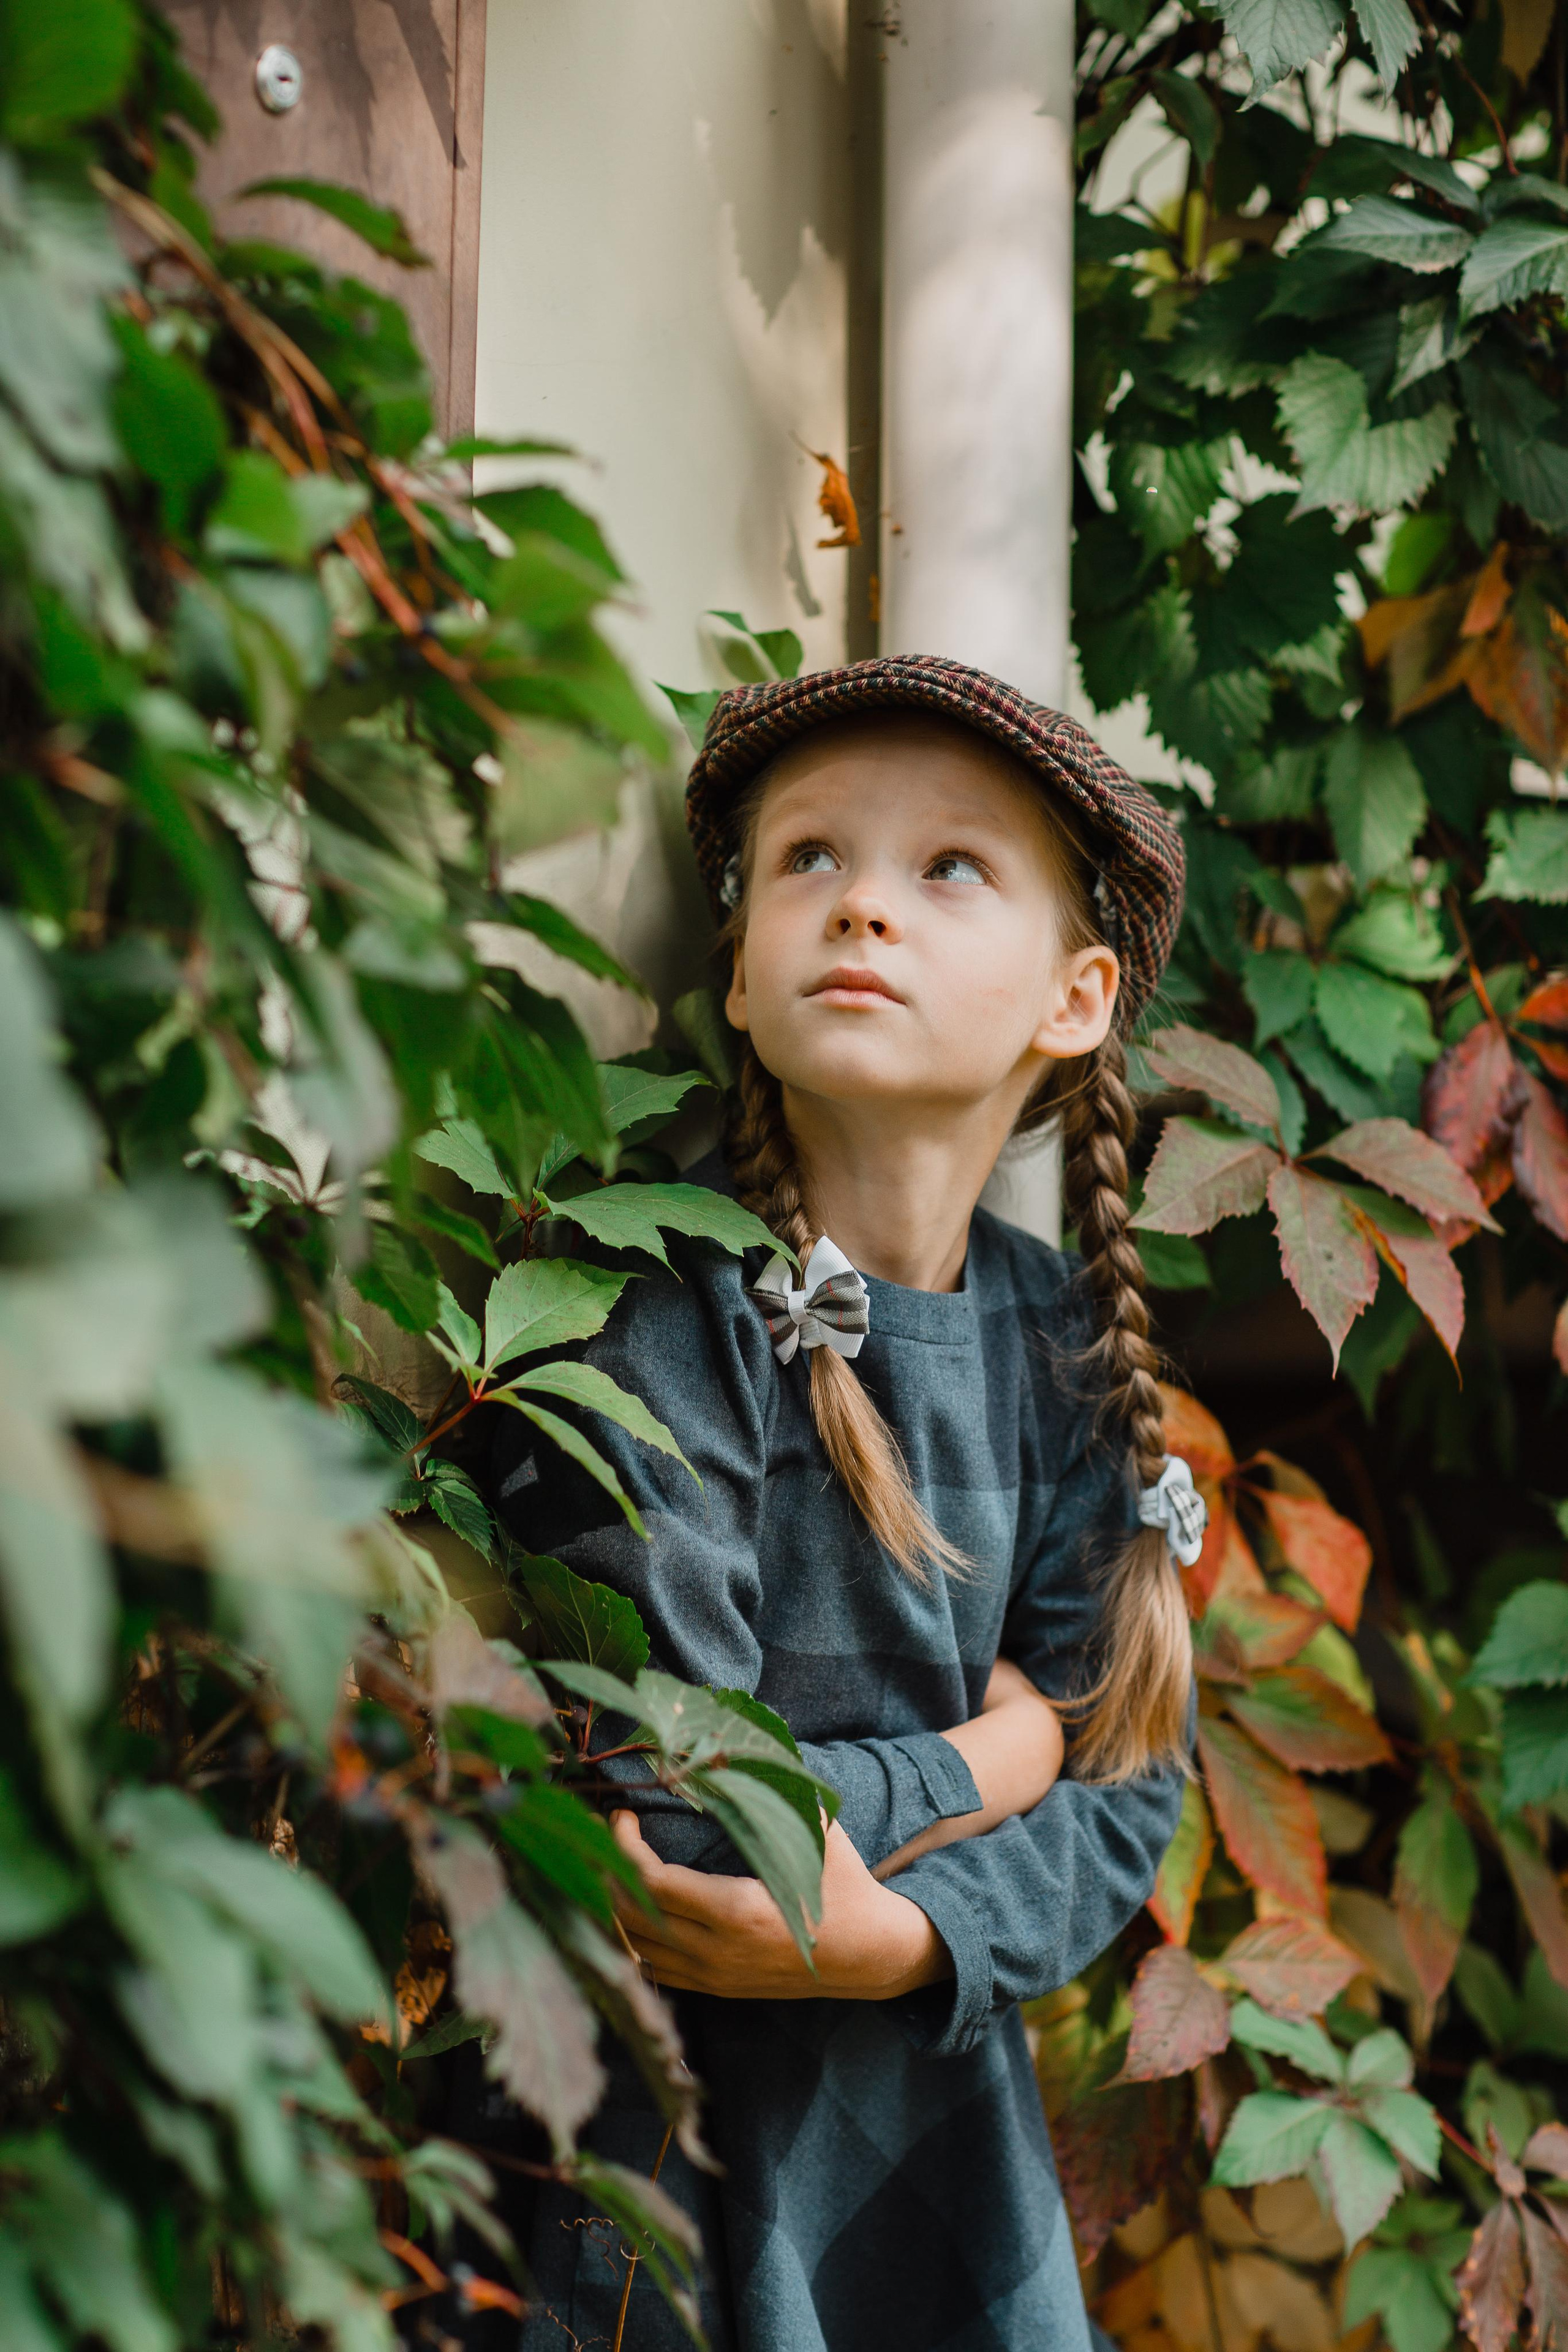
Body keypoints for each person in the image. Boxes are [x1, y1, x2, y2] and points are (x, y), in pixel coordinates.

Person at [484, 655, 1204, 2352]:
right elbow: (689, 1818)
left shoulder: (1067, 1351)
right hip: (648, 2150)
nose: (863, 905)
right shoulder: (651, 1305)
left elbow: (1127, 1797)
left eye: (949, 868)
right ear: (736, 976)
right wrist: (999, 1758)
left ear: (1076, 996)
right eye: (808, 857)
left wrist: (898, 1942)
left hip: (940, 2137)